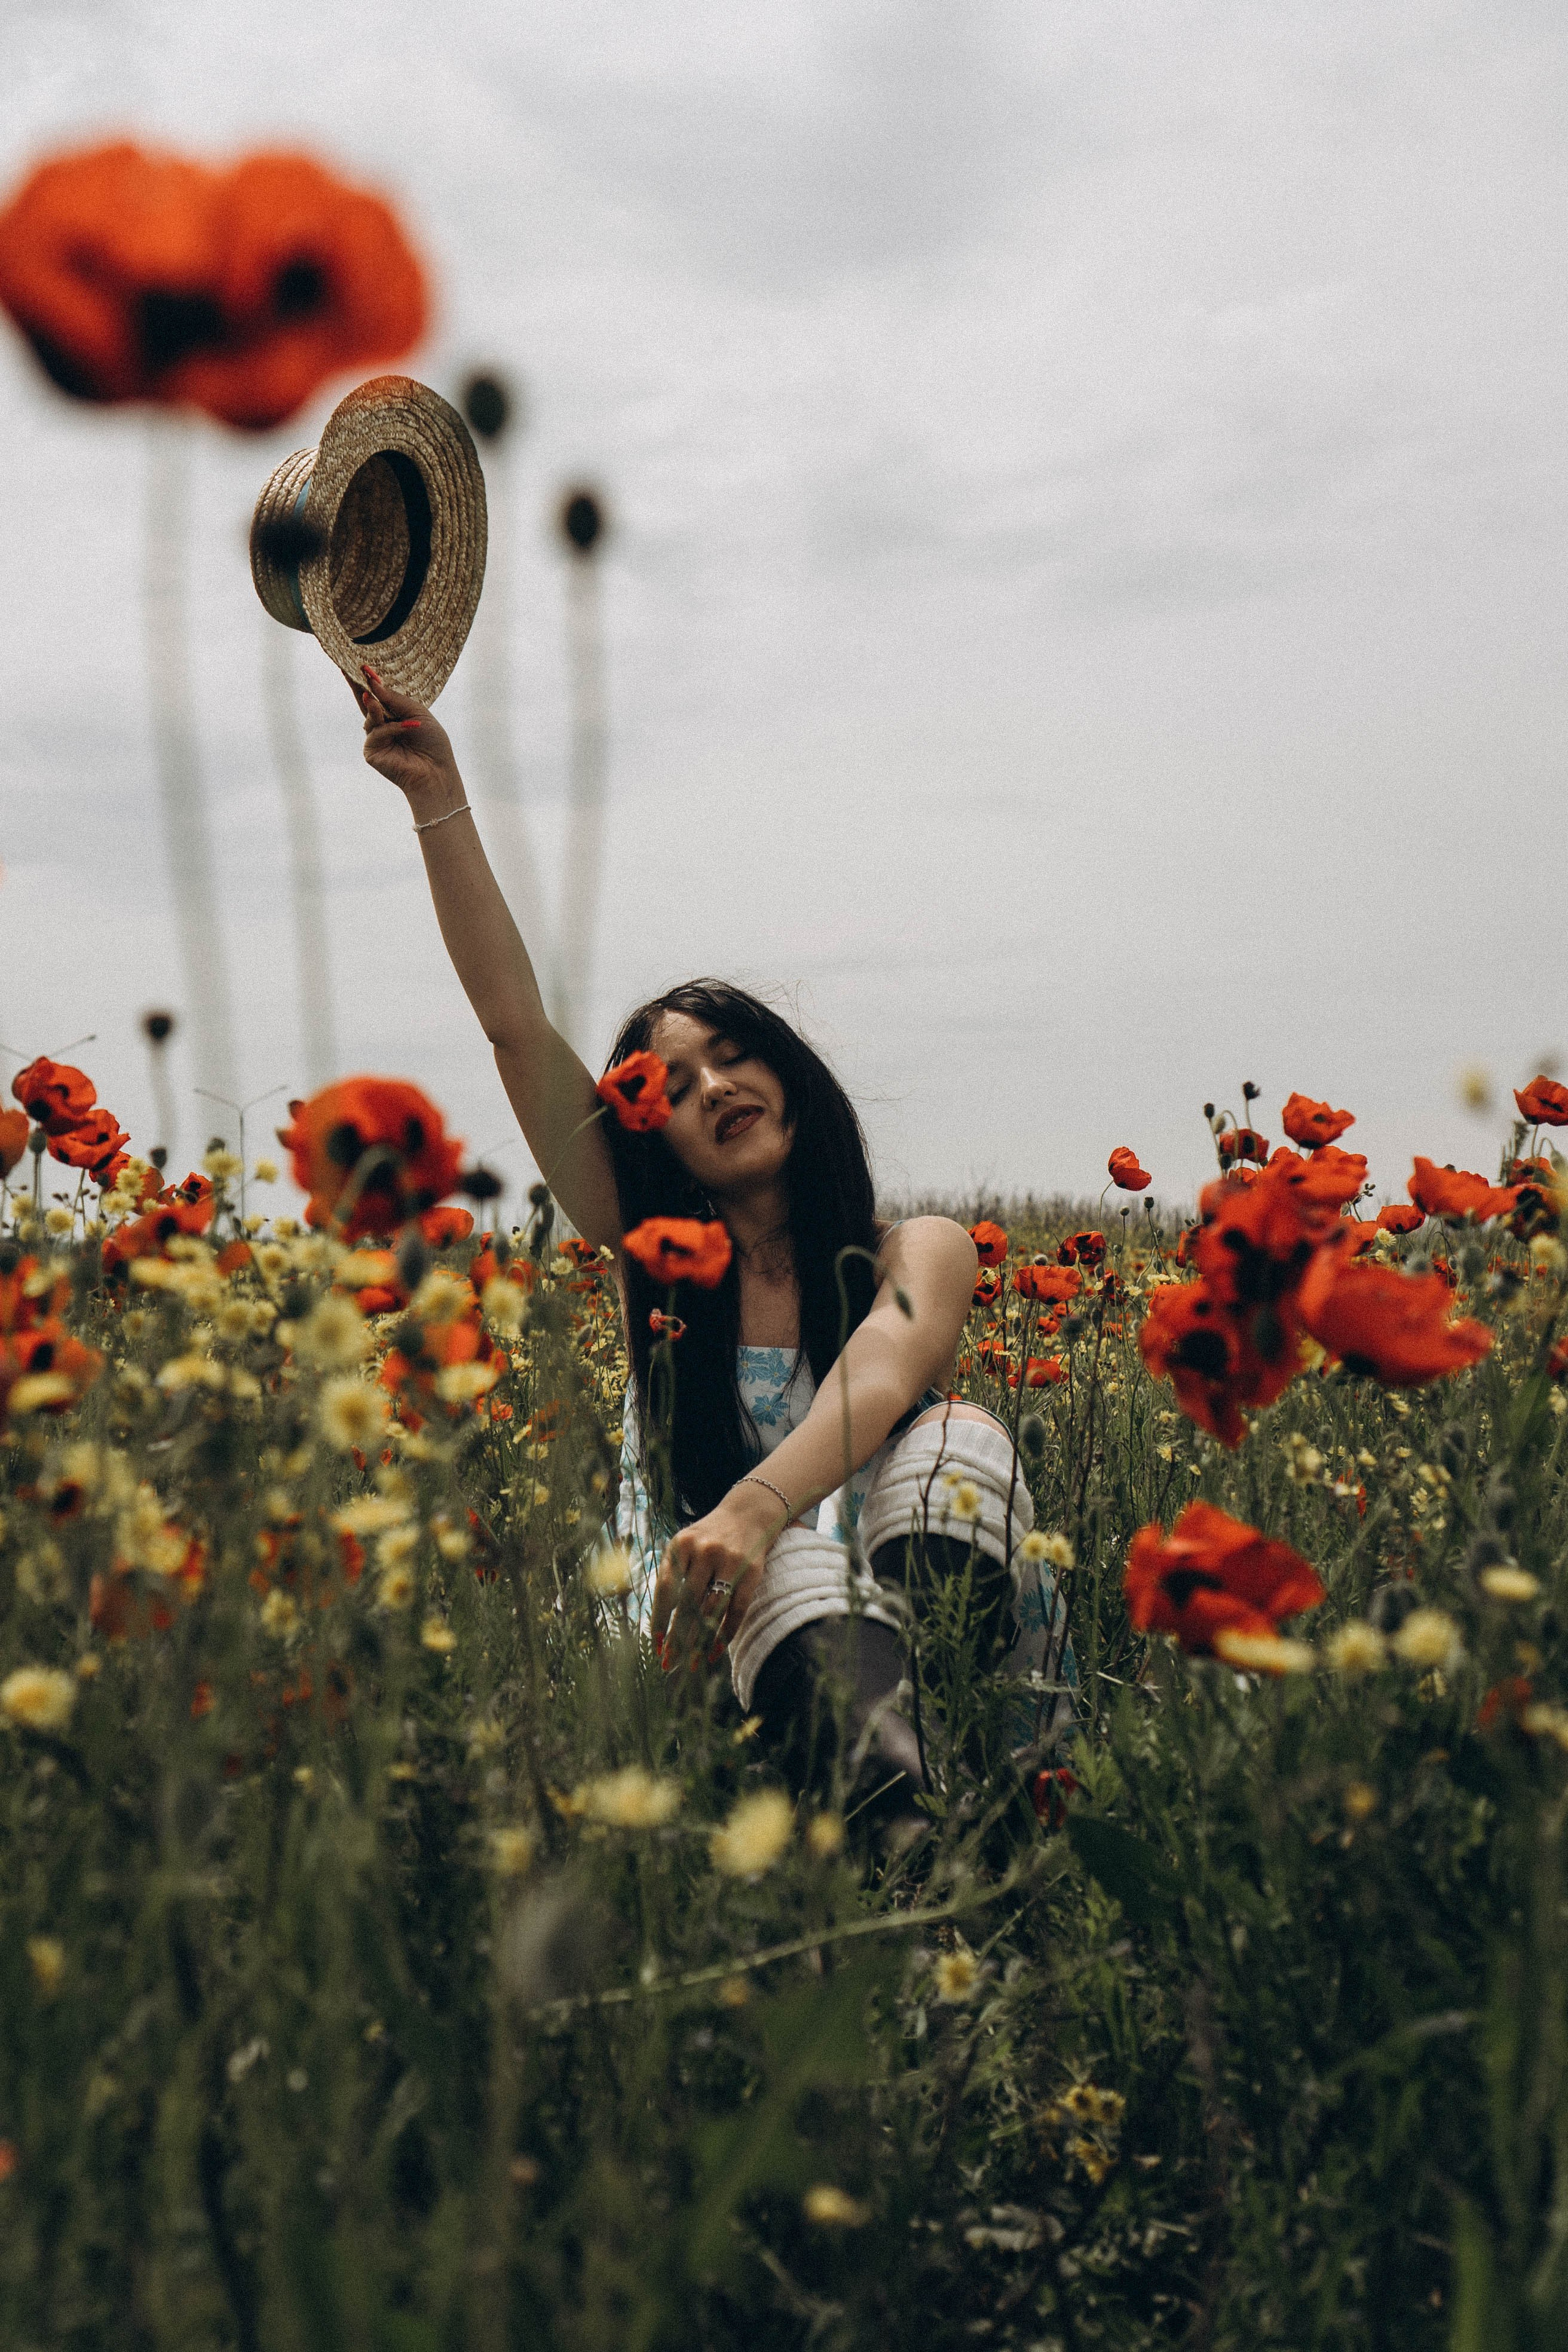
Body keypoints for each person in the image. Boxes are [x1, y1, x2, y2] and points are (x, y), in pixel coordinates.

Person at [350, 663, 1072, 1815]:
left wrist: (752, 1506)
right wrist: (437, 795)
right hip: (747, 1633)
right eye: (676, 1087)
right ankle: (897, 1829)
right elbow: (514, 1025)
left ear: (792, 1078)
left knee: (957, 1445)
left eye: (735, 1057)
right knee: (785, 1564)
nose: (717, 1088)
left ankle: (989, 1768)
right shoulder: (650, 1255)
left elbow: (881, 1377)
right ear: (655, 1141)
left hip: (879, 1571)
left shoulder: (919, 1249)